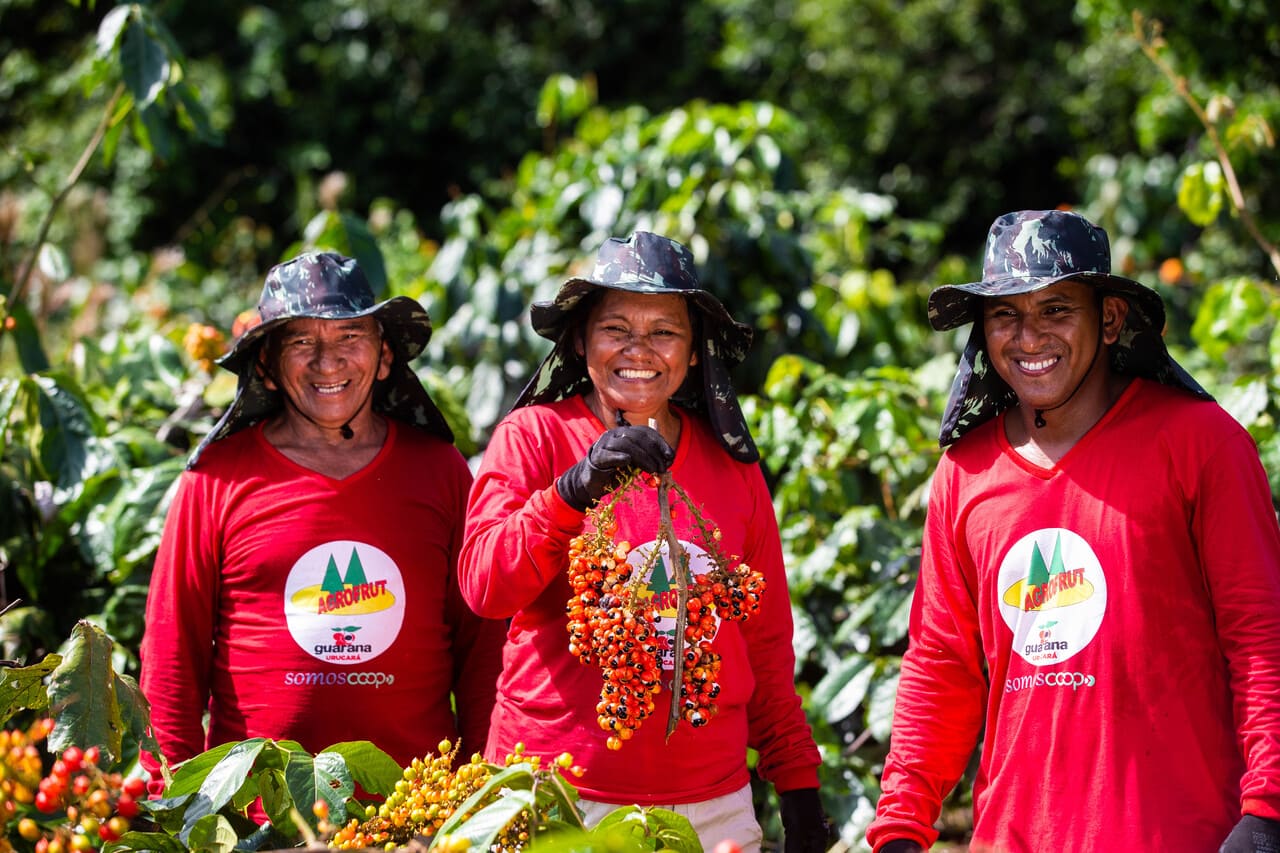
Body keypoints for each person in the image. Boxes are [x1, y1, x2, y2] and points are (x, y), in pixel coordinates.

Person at [866, 209, 1280, 853]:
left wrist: (1268, 808)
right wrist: (900, 825)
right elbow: (941, 664)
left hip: (1180, 837)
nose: (1028, 337)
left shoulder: (1201, 444)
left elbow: (1261, 635)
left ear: (1109, 319)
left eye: (1056, 310)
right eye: (1005, 314)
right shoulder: (964, 473)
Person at [458, 232, 829, 852]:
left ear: (693, 352)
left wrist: (797, 783)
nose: (639, 350)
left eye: (664, 332)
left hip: (712, 809)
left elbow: (763, 644)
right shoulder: (533, 437)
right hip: (554, 796)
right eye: (616, 329)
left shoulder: (731, 468)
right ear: (581, 341)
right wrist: (570, 492)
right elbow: (485, 587)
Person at [139, 251, 505, 775]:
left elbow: (484, 647)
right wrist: (169, 794)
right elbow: (172, 650)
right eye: (300, 342)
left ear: (384, 357)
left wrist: (480, 782)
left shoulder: (440, 470)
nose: (327, 362)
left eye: (349, 336)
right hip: (259, 809)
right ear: (266, 366)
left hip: (418, 807)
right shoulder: (216, 479)